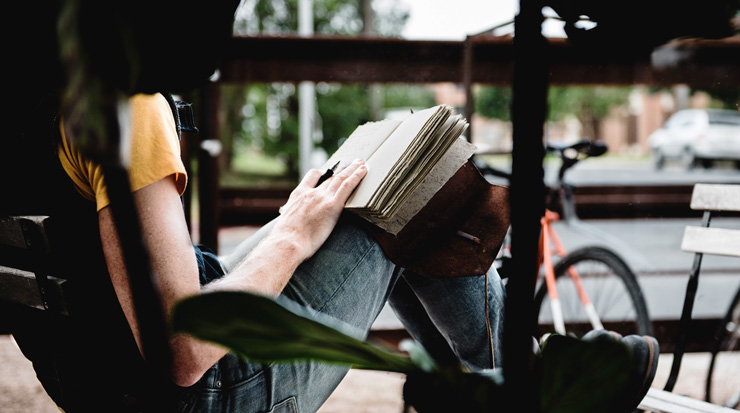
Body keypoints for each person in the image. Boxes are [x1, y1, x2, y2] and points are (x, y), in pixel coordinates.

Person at [4, 91, 506, 412]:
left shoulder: (29, 105)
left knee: (338, 204)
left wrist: (295, 221)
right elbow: (182, 351)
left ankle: (471, 384)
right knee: (424, 191)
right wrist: (292, 238)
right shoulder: (124, 105)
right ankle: (530, 388)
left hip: (98, 384)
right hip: (214, 394)